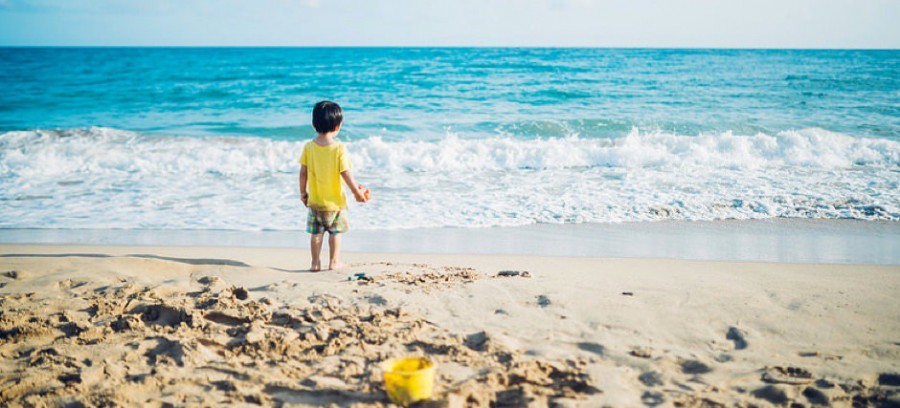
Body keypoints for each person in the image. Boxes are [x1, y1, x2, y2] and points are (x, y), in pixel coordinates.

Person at [299, 101, 367, 271]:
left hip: (315, 202)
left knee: (316, 234)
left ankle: (315, 263)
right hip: (335, 203)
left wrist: (303, 193)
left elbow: (303, 173)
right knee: (335, 234)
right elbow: (345, 173)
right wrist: (356, 192)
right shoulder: (339, 148)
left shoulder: (309, 147)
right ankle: (334, 262)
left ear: (314, 124)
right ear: (338, 126)